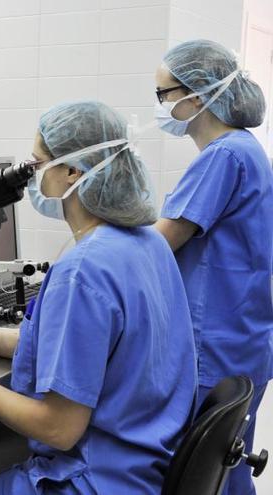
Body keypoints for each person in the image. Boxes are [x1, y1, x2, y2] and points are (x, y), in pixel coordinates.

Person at [0, 101, 197, 494]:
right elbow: (87, 348)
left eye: (37, 163)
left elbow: (59, 429)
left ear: (72, 171)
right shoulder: (148, 242)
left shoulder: (83, 270)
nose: (31, 176)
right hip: (145, 467)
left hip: (91, 480)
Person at [154, 39, 273, 495]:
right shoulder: (245, 150)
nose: (161, 105)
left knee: (201, 472)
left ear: (196, 95)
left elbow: (163, 242)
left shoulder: (222, 156)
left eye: (163, 94)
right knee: (224, 467)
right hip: (241, 341)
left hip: (213, 347)